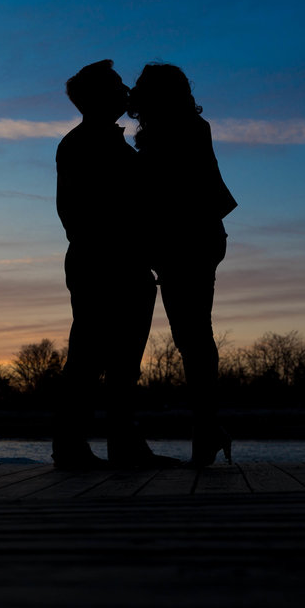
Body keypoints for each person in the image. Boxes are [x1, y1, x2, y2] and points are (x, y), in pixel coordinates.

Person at [54, 60, 176, 470]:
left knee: (123, 361)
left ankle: (120, 445)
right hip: (104, 264)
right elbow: (91, 213)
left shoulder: (106, 143)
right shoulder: (85, 145)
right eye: (118, 86)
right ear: (96, 97)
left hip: (121, 263)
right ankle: (75, 447)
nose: (126, 92)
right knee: (91, 357)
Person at [127, 63, 237, 467]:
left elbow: (170, 191)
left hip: (190, 239)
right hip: (190, 239)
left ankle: (207, 430)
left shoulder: (181, 129)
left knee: (192, 336)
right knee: (193, 336)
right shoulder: (175, 126)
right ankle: (207, 430)